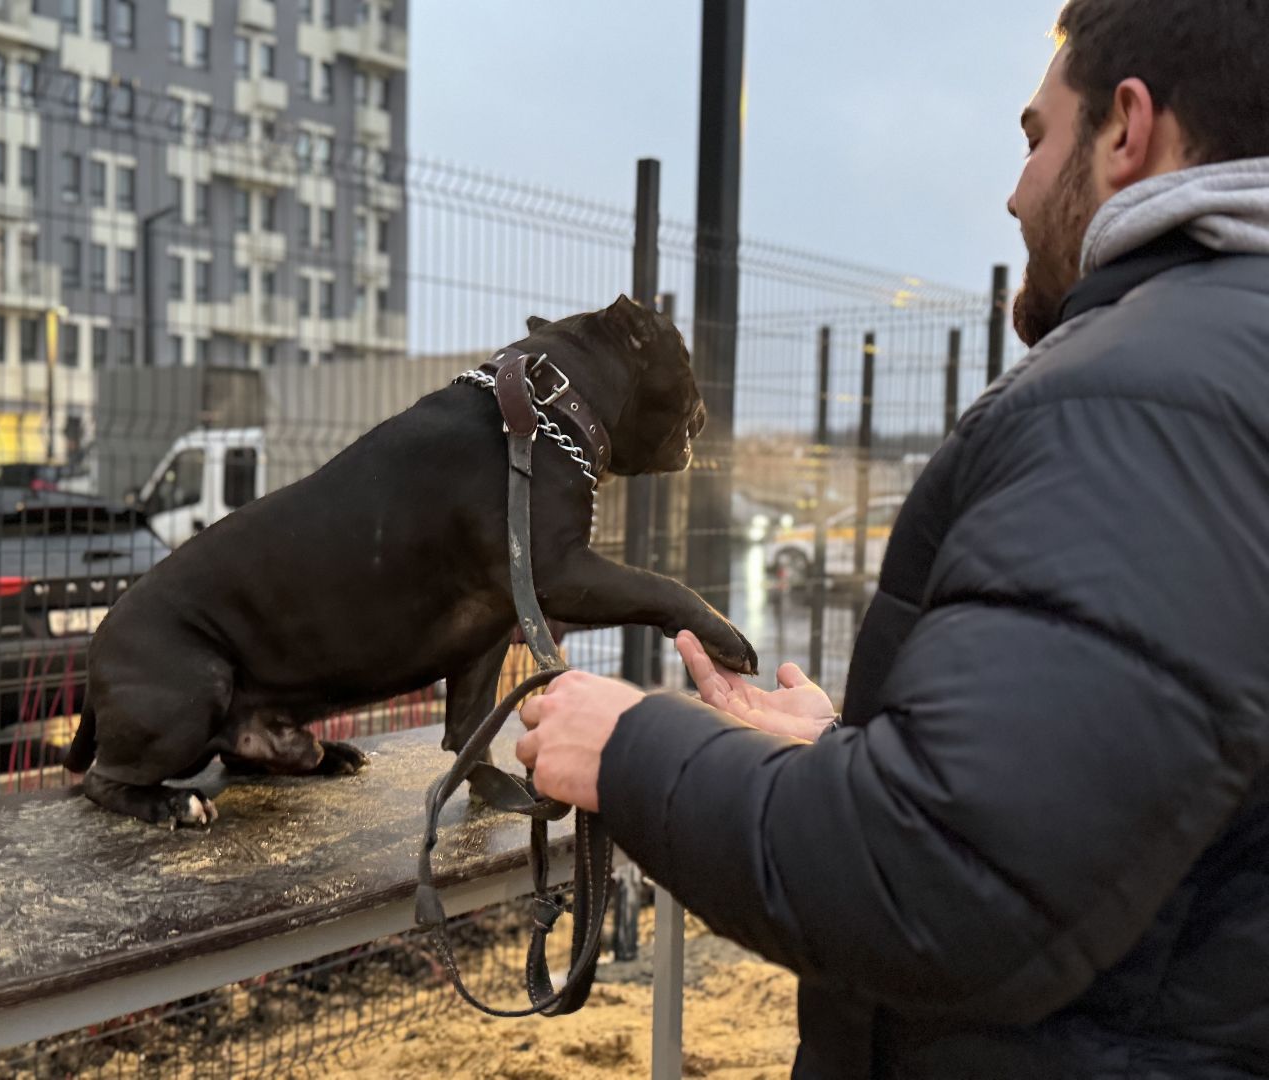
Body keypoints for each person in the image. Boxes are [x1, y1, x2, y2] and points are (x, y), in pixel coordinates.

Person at [516, 1, 1269, 1075]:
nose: (1015, 193)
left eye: (1036, 138)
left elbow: (946, 885)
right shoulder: (1229, 369)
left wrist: (631, 747)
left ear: (1128, 129)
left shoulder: (1140, 398)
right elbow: (1123, 805)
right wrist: (851, 757)